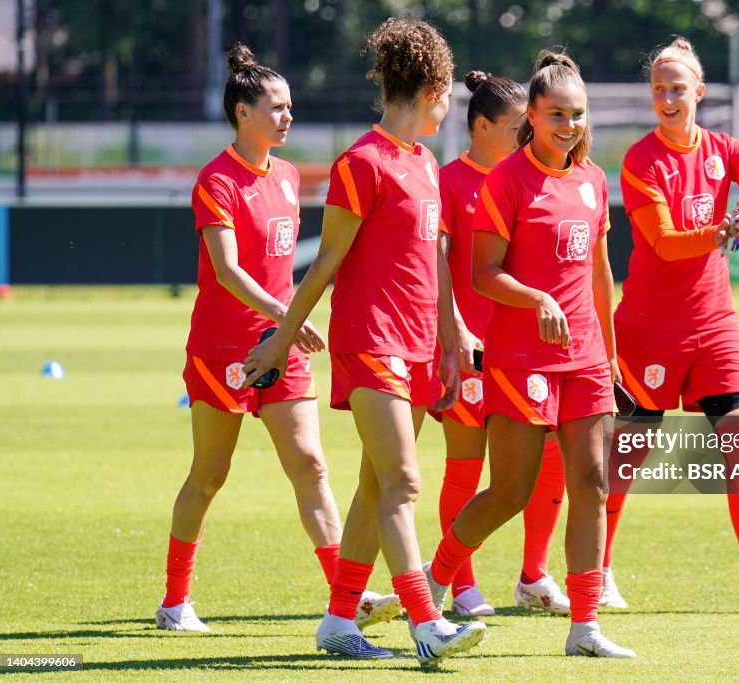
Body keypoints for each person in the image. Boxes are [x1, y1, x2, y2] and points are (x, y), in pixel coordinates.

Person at [242, 18, 486, 668]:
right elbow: (322, 267)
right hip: (370, 342)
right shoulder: (361, 163)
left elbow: (433, 261)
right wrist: (279, 343)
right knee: (404, 481)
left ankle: (338, 619)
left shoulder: (426, 164)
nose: (451, 106)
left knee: (376, 486)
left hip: (415, 349)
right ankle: (428, 622)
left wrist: (452, 331)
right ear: (431, 86)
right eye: (448, 93)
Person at [156, 43, 398, 637]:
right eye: (277, 107)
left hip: (280, 344)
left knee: (311, 465)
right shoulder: (217, 180)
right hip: (224, 350)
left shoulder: (289, 177)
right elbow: (228, 269)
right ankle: (174, 602)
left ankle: (347, 595)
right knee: (210, 474)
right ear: (243, 111)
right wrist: (287, 312)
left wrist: (286, 326)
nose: (288, 116)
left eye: (291, 107)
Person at [424, 51, 636, 658]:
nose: (568, 126)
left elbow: (601, 276)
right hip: (522, 360)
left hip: (588, 360)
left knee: (591, 484)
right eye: (555, 116)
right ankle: (437, 579)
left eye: (577, 115)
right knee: (509, 492)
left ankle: (585, 629)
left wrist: (611, 356)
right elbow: (483, 273)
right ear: (533, 119)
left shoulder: (593, 180)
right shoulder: (506, 180)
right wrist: (537, 297)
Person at [608, 35, 739, 613]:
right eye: (659, 89)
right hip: (648, 328)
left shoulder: (724, 148)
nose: (668, 99)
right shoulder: (640, 159)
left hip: (715, 324)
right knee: (625, 456)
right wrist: (728, 230)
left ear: (699, 91)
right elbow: (665, 243)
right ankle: (596, 571)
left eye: (678, 88)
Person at [434, 70, 571, 618]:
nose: (525, 135)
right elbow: (437, 263)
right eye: (516, 126)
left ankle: (534, 573)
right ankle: (460, 584)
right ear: (482, 126)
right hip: (473, 349)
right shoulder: (450, 182)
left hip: (531, 350)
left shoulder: (535, 178)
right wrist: (456, 331)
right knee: (466, 466)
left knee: (552, 458)